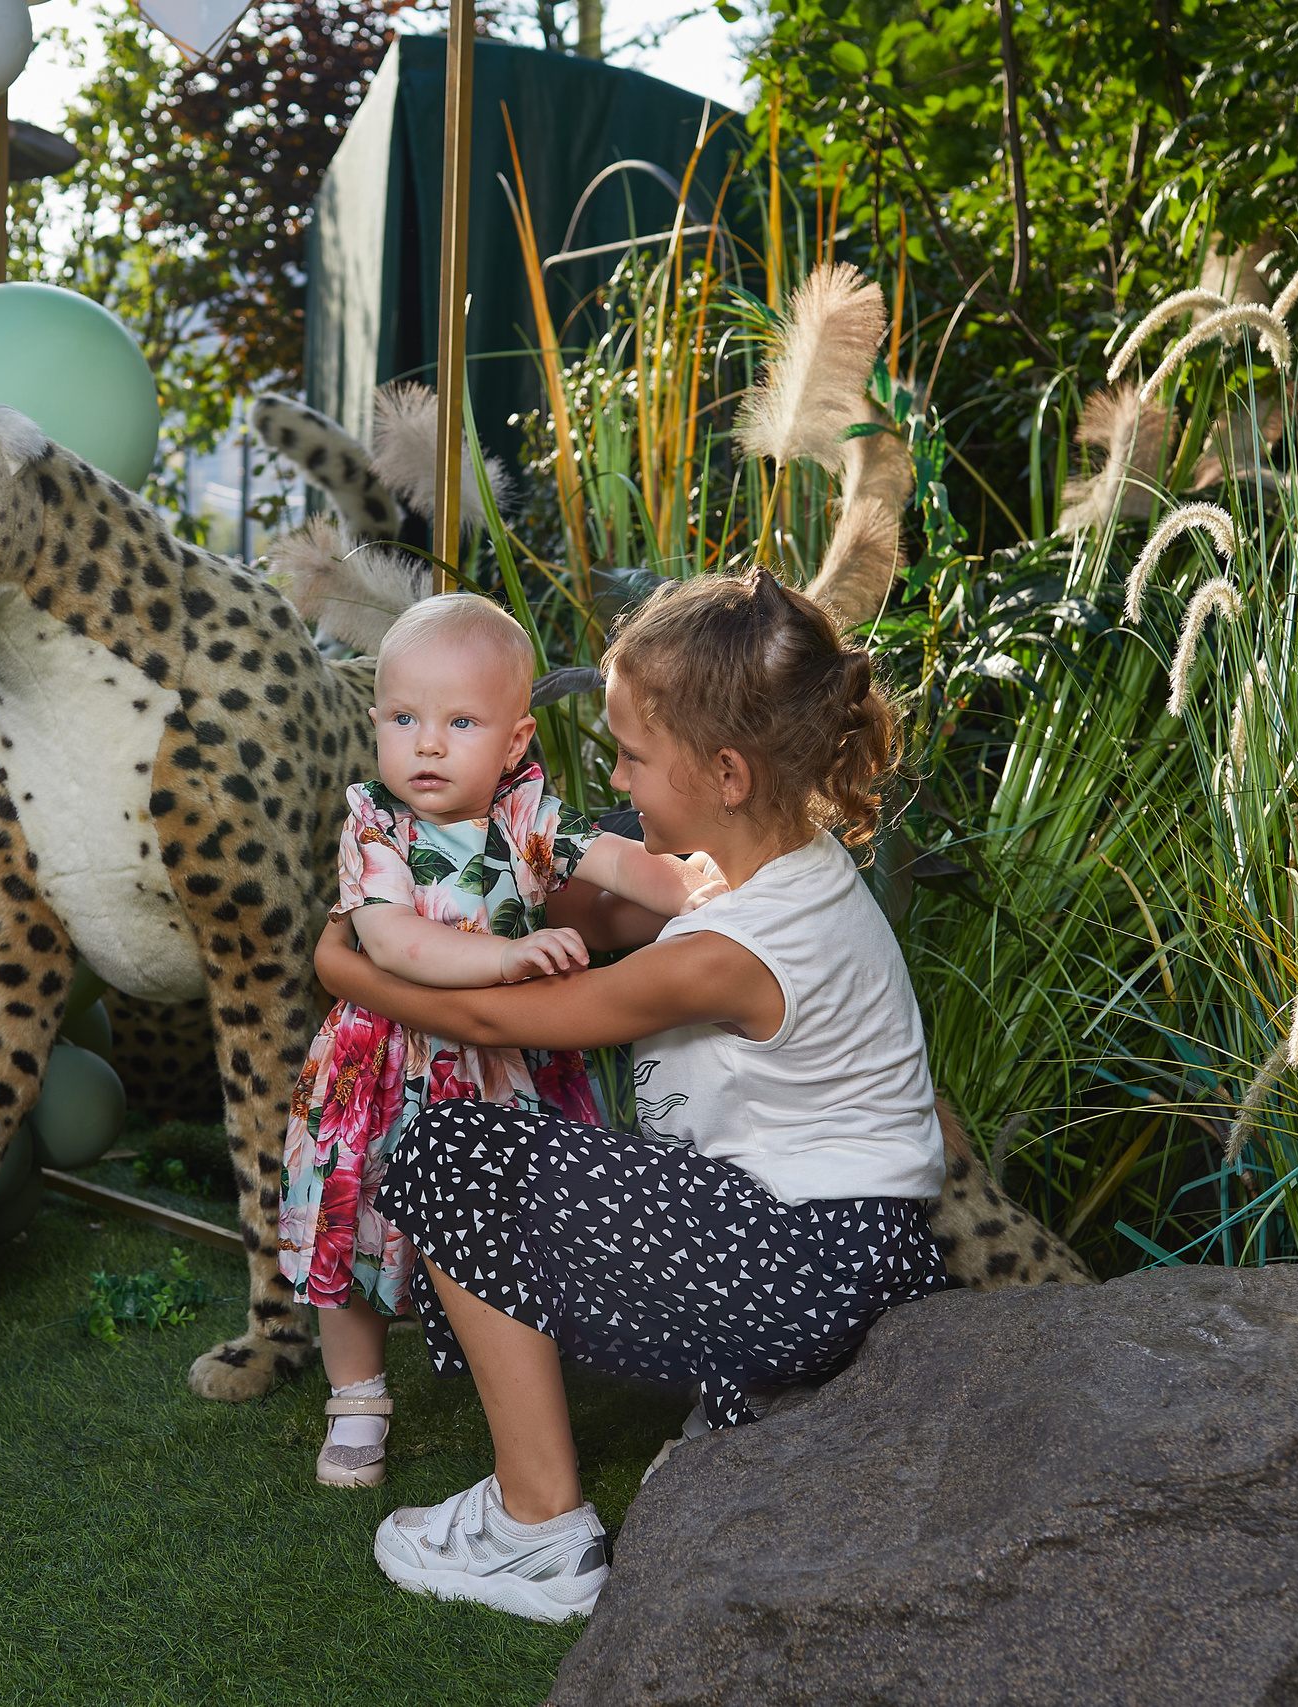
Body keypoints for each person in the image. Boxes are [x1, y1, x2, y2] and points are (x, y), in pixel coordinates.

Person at [313, 569, 955, 1623]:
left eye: (631, 756)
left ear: (727, 773)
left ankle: (536, 1528)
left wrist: (346, 968)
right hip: (853, 1249)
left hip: (802, 1262)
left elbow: (500, 1023)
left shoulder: (730, 952)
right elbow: (592, 918)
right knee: (582, 1158)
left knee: (451, 1153)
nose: (614, 778)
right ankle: (757, 1405)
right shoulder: (769, 868)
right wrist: (480, 892)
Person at [282, 592, 723, 1491]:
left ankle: (517, 1382)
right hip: (387, 1064)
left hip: (503, 1066)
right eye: (404, 719)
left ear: (516, 740)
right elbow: (391, 942)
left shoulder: (529, 816)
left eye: (460, 722)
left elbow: (616, 860)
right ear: (376, 723)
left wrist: (695, 888)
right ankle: (357, 1395)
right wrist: (507, 956)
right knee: (355, 1223)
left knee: (512, 1224)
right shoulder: (375, 824)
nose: (428, 744)